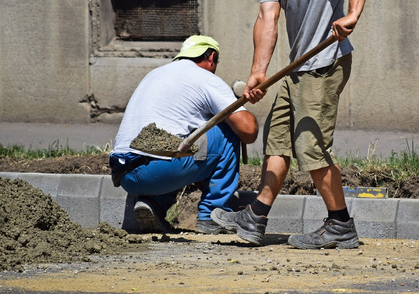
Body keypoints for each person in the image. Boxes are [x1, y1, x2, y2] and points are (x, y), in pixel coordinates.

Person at [211, 0, 366, 248]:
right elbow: (266, 17)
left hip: (324, 63)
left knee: (311, 146)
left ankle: (340, 224)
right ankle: (255, 216)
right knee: (278, 137)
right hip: (298, 65)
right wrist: (258, 71)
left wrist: (353, 13)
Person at [109, 35, 261, 234]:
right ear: (211, 57)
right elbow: (248, 131)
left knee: (176, 141)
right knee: (228, 131)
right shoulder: (206, 79)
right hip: (159, 170)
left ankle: (152, 203)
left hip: (124, 174)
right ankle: (213, 214)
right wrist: (234, 105)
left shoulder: (155, 74)